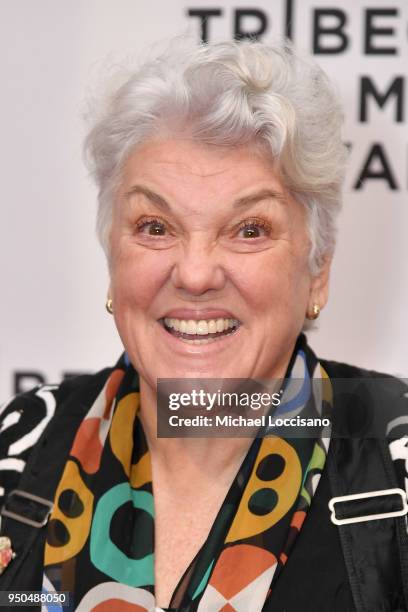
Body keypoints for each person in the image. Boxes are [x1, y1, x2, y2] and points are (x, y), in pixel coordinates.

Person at [0, 37, 407, 612]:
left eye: (248, 230)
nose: (193, 274)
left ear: (317, 270)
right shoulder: (26, 443)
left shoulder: (395, 450)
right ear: (112, 259)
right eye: (155, 226)